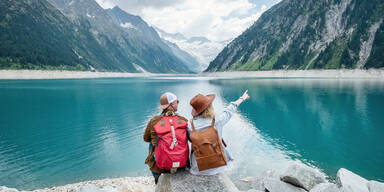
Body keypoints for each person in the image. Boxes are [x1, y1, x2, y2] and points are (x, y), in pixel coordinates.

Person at [188, 90, 250, 175]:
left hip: (198, 168)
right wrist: (242, 98)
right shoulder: (217, 121)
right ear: (209, 108)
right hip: (219, 166)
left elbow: (191, 140)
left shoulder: (189, 126)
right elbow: (230, 109)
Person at [143, 92, 189, 184]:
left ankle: (157, 182)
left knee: (153, 142)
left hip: (160, 166)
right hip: (181, 163)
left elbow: (146, 138)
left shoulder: (154, 121)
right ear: (171, 104)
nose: (178, 103)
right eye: (177, 102)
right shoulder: (183, 120)